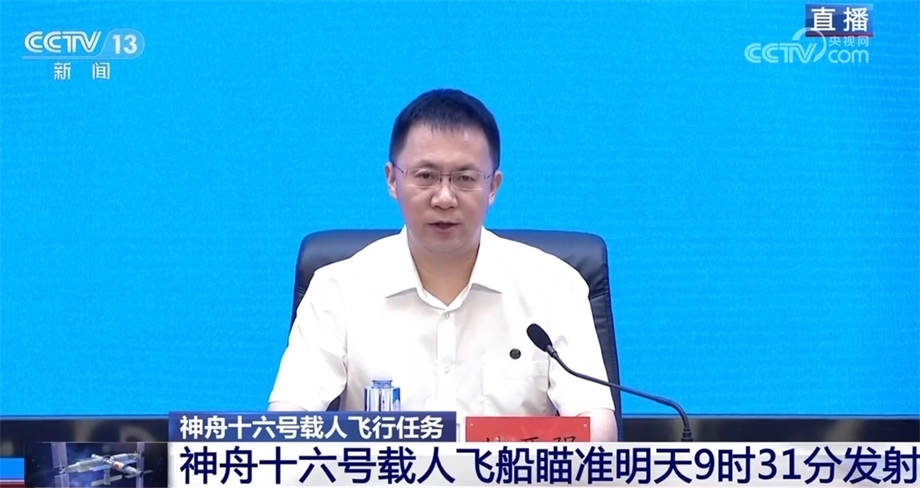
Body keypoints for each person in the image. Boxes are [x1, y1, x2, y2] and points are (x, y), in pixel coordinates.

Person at [268, 88, 617, 441]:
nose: (444, 198)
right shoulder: (336, 291)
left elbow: (597, 427)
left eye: (465, 178)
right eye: (425, 176)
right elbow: (287, 421)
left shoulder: (554, 288)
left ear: (493, 187)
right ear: (392, 180)